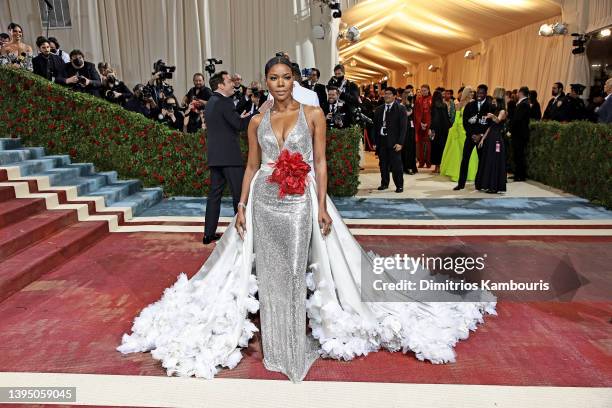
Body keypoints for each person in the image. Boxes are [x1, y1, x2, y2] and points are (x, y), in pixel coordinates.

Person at [117, 56, 496, 383]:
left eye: (286, 77)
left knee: (294, 269)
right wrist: (242, 206)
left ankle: (291, 344)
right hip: (264, 199)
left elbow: (322, 161)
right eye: (273, 78)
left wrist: (321, 207)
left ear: (293, 80)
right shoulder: (255, 122)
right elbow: (252, 165)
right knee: (268, 270)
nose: (280, 84)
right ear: (265, 82)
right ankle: (276, 344)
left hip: (301, 200)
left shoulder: (313, 114)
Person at [201, 71, 271, 244]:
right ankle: (241, 233)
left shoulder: (211, 101)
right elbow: (239, 125)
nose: (233, 84)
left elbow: (226, 124)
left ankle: (208, 234)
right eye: (229, 81)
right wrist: (259, 113)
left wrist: (240, 118)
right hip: (230, 156)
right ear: (220, 85)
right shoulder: (224, 102)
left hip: (215, 156)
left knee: (214, 195)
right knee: (240, 195)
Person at [454, 84, 493, 190]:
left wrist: (480, 135)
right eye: (478, 92)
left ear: (485, 93)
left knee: (482, 161)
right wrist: (472, 135)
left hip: (482, 139)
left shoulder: (490, 106)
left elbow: (490, 124)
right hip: (470, 137)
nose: (479, 95)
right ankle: (461, 184)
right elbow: (465, 122)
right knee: (465, 160)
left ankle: (479, 183)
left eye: (482, 93)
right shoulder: (470, 105)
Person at [373, 87, 407, 193]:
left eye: (389, 94)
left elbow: (403, 128)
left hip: (394, 142)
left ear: (394, 96)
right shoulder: (379, 109)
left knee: (396, 165)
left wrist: (400, 143)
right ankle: (384, 183)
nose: (386, 96)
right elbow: (375, 127)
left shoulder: (400, 109)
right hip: (382, 141)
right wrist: (375, 142)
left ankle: (399, 185)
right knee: (383, 164)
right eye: (385, 94)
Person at [440, 86, 478, 182]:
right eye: (470, 92)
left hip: (469, 128)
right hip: (459, 129)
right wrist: (455, 128)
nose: (472, 94)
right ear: (465, 93)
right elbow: (457, 117)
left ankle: (470, 173)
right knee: (458, 153)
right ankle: (457, 173)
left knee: (471, 153)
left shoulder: (474, 103)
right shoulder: (460, 103)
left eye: (473, 92)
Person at [475, 88, 508, 193]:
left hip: (497, 139)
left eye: (494, 99)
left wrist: (492, 116)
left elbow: (498, 120)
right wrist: (482, 139)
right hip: (490, 139)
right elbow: (489, 128)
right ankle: (487, 184)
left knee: (494, 161)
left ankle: (494, 186)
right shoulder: (495, 111)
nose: (493, 101)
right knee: (488, 160)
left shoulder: (502, 111)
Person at [509, 86, 531, 182]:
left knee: (519, 155)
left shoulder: (524, 104)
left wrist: (510, 129)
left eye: (518, 92)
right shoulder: (522, 103)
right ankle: (517, 174)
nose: (517, 94)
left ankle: (520, 175)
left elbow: (517, 119)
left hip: (519, 134)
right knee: (517, 154)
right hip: (518, 133)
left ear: (521, 93)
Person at [429, 90, 451, 174]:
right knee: (442, 148)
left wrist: (431, 128)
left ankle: (436, 167)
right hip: (444, 130)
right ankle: (441, 167)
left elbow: (434, 119)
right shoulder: (444, 105)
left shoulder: (433, 106)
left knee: (435, 148)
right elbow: (447, 118)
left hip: (436, 130)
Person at [414, 84, 432, 168]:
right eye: (422, 90)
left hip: (429, 123)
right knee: (420, 144)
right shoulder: (418, 100)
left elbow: (432, 113)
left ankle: (428, 162)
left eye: (425, 90)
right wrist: (420, 123)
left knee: (428, 144)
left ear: (428, 90)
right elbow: (416, 113)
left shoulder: (432, 99)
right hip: (420, 124)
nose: (423, 92)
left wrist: (428, 124)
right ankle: (421, 162)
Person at [400, 88, 417, 175]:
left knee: (411, 148)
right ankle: (405, 167)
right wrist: (409, 107)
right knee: (405, 148)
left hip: (411, 128)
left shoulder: (412, 104)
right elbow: (406, 114)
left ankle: (411, 166)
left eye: (411, 95)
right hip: (404, 128)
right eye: (409, 95)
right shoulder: (401, 105)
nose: (411, 96)